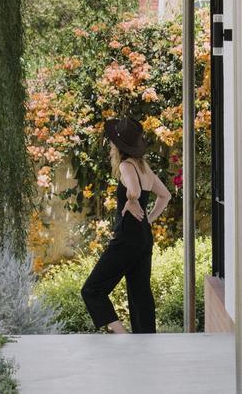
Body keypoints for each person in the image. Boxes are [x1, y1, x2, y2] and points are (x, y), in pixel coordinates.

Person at [80, 114, 172, 334]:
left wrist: (131, 201)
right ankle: (145, 342)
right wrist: (148, 220)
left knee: (92, 289)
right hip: (143, 237)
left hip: (128, 237)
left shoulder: (126, 166)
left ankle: (122, 335)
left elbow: (135, 191)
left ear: (118, 146)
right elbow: (165, 195)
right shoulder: (144, 168)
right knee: (140, 295)